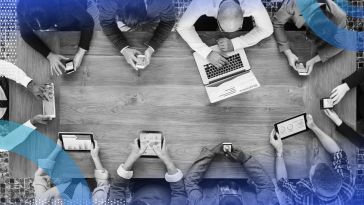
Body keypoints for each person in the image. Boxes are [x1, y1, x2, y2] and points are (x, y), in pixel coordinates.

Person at [270, 114, 355, 205]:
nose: (315, 161)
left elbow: (282, 183)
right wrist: (313, 127)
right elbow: (338, 153)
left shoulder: (304, 199)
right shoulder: (347, 187)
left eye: (313, 167)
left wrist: (279, 151)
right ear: (338, 174)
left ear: (313, 187)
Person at [176, 0, 273, 68]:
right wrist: (207, 53)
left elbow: (267, 29)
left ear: (243, 12)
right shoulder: (202, 2)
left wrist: (236, 44)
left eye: (239, 27)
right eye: (222, 29)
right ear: (217, 18)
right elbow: (183, 27)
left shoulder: (252, 3)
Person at [17, 0, 94, 76]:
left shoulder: (66, 3)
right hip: (60, 23)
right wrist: (49, 55)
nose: (43, 31)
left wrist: (80, 53)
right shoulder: (23, 8)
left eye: (45, 28)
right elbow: (26, 34)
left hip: (82, 7)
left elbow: (88, 22)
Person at [185, 143, 278, 205]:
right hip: (242, 173)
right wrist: (245, 159)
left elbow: (190, 183)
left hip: (212, 172)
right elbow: (267, 187)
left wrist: (211, 153)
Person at [272, 0, 346, 75]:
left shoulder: (340, 17)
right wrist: (288, 53)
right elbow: (277, 23)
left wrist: (314, 60)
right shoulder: (293, 4)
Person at [98, 0, 176, 71]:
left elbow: (168, 21)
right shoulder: (108, 2)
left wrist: (152, 48)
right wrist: (123, 49)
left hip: (154, 18)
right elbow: (106, 23)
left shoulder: (162, 2)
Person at [107, 138, 187, 205]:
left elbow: (116, 188)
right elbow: (179, 193)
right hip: (168, 184)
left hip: (138, 182)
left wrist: (132, 158)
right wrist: (167, 160)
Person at [0, 60, 52, 150]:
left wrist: (30, 85)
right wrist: (32, 122)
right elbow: (5, 144)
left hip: (11, 85)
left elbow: (2, 66)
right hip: (13, 117)